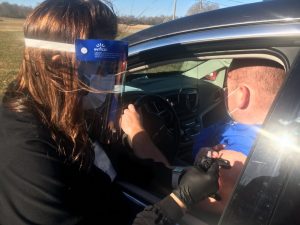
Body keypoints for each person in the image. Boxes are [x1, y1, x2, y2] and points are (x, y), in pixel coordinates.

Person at [0, 0, 220, 225]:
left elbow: (116, 163)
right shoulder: (24, 148)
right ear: (58, 67)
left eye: (112, 66)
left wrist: (177, 177)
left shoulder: (71, 110)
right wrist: (180, 200)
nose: (108, 75)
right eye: (102, 65)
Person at [121, 58, 286, 220]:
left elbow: (179, 191)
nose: (224, 94)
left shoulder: (234, 162)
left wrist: (136, 131)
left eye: (226, 90)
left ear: (242, 95)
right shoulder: (278, 127)